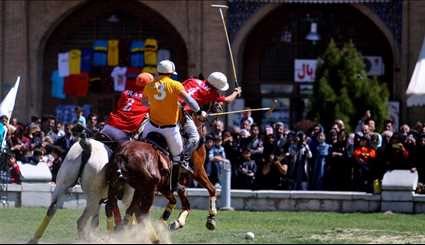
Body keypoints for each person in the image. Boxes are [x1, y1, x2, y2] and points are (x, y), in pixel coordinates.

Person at [142, 59, 201, 192]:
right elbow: (189, 100)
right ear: (171, 73)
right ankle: (172, 186)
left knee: (137, 144)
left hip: (150, 126)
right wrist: (199, 111)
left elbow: (144, 103)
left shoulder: (149, 85)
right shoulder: (175, 85)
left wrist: (156, 105)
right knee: (177, 158)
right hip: (169, 130)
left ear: (158, 71)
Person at [180, 72, 241, 164]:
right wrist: (236, 92)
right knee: (195, 137)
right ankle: (182, 159)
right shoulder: (212, 93)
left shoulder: (192, 80)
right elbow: (227, 100)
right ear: (216, 87)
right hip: (182, 112)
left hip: (170, 105)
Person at [102, 72, 153, 144]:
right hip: (123, 133)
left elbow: (119, 106)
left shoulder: (125, 93)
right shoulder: (149, 98)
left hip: (108, 126)